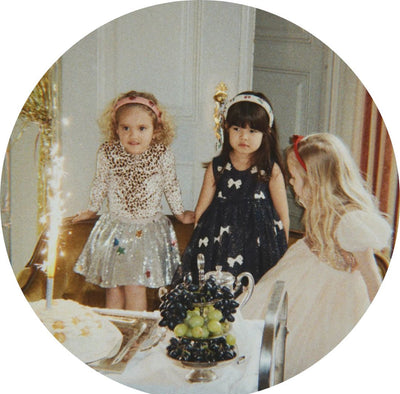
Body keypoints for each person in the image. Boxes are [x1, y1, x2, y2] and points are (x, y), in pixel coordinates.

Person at [240, 133, 392, 380]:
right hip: (301, 275)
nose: (290, 182)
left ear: (315, 181)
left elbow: (372, 277)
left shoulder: (350, 221)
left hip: (334, 297)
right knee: (268, 323)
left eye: (295, 177)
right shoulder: (319, 206)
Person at [73, 90, 194, 311]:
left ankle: (136, 329)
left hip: (145, 232)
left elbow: (171, 185)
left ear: (156, 130)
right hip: (116, 229)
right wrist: (91, 210)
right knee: (113, 287)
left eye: (142, 128)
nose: (133, 135)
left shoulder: (162, 154)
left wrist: (180, 213)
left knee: (135, 286)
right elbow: (100, 183)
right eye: (125, 128)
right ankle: (114, 330)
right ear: (115, 128)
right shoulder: (108, 152)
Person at [172, 91, 289, 285]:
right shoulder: (218, 166)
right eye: (237, 129)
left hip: (258, 244)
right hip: (220, 241)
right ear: (226, 128)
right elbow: (201, 209)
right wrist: (200, 244)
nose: (244, 137)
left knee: (255, 285)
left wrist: (282, 251)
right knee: (219, 284)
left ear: (266, 132)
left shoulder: (270, 169)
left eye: (252, 131)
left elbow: (283, 215)